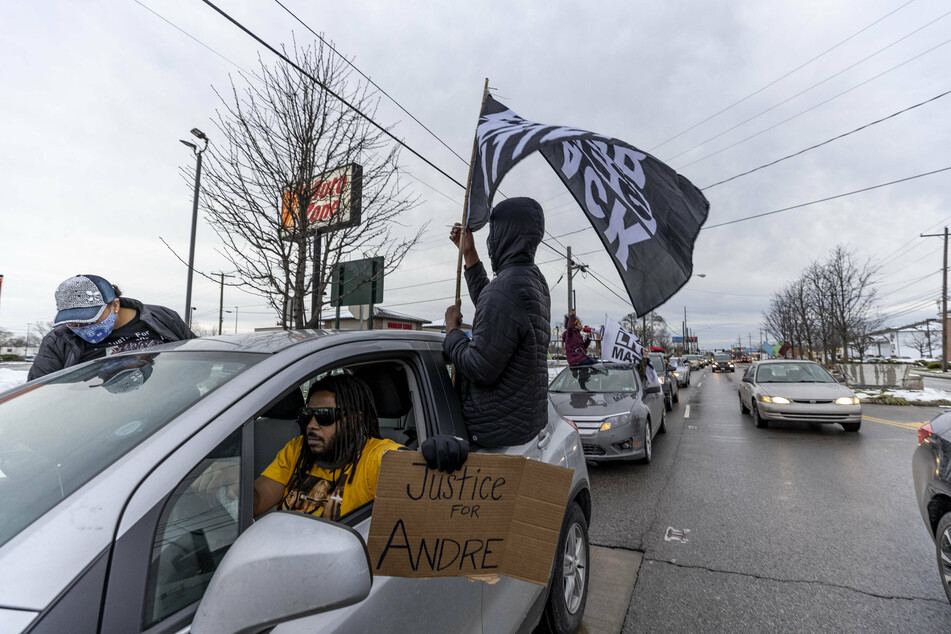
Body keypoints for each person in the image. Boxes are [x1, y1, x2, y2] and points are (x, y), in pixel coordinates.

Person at [441, 196, 551, 452]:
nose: (491, 239)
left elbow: (479, 367)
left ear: (504, 235)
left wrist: (451, 332)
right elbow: (497, 318)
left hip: (495, 437)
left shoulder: (506, 290)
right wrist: (469, 254)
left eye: (494, 231)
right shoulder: (532, 280)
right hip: (519, 428)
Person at [253, 374, 402, 521]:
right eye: (307, 414)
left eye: (324, 415)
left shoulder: (377, 457)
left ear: (354, 420)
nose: (311, 425)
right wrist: (236, 487)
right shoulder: (297, 448)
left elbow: (404, 465)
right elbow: (258, 500)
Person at [28, 274, 195, 380]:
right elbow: (38, 393)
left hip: (173, 411)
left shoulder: (163, 318)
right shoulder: (57, 340)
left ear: (115, 305)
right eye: (73, 322)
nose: (82, 327)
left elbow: (197, 359)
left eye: (90, 319)